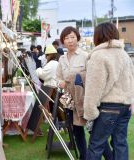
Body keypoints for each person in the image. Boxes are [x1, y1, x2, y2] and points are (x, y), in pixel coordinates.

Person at [84, 22, 134, 160]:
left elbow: (94, 87)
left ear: (97, 36)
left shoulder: (98, 56)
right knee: (120, 144)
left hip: (108, 107)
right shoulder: (124, 55)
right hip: (125, 107)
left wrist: (89, 112)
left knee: (96, 145)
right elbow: (131, 80)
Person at [56, 26, 89, 160]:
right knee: (76, 130)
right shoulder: (62, 59)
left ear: (77, 38)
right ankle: (84, 156)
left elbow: (92, 77)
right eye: (66, 38)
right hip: (69, 99)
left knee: (93, 130)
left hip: (84, 98)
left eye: (72, 37)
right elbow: (57, 77)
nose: (70, 41)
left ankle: (102, 155)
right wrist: (60, 82)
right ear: (63, 41)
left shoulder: (86, 56)